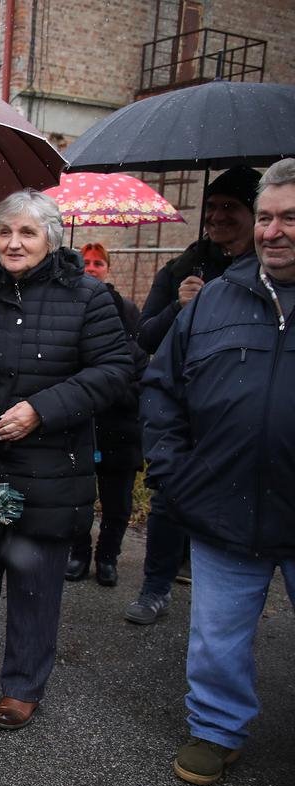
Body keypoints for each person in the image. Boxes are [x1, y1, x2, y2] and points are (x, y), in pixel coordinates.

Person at [0, 189, 131, 731]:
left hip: (51, 465)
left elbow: (115, 370)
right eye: (5, 232)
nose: (14, 242)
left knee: (35, 581)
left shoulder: (88, 297)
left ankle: (23, 684)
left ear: (52, 237)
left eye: (27, 232)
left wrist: (42, 411)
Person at [143, 158, 295, 786]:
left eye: (290, 218)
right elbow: (162, 388)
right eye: (267, 217)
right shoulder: (213, 299)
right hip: (223, 503)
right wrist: (175, 472)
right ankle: (215, 728)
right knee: (216, 637)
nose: (273, 231)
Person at [127, 167, 259, 624]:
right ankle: (155, 587)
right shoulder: (184, 268)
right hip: (188, 410)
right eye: (212, 207)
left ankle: (225, 597)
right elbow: (144, 336)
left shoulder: (274, 275)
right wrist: (178, 307)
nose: (217, 216)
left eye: (231, 207)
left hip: (244, 413)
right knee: (170, 499)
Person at [65, 243, 147, 587]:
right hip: (84, 431)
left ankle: (108, 556)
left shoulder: (128, 326)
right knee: (77, 500)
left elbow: (138, 384)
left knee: (117, 504)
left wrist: (104, 389)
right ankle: (79, 552)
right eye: (86, 262)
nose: (91, 267)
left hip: (120, 434)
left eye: (98, 262)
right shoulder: (72, 331)